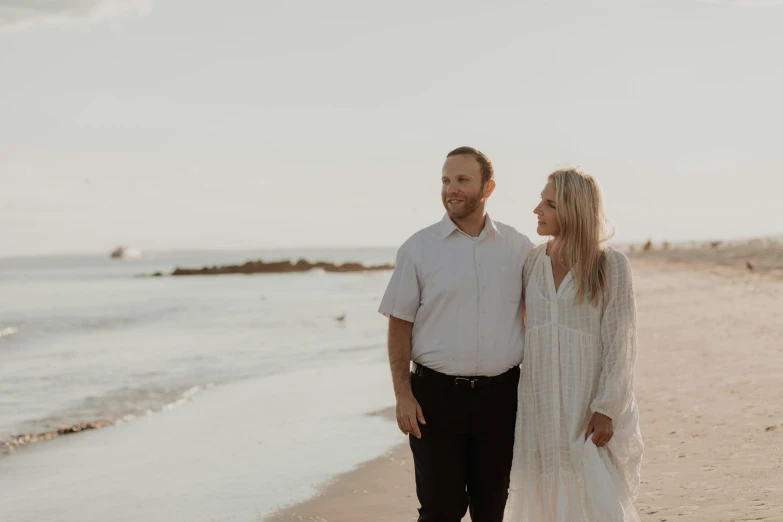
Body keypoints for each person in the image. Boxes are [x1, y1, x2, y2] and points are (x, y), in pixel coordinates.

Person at [378, 146, 534, 522]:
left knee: (491, 508)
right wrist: (403, 394)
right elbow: (399, 324)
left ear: (488, 187)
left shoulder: (519, 248)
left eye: (462, 180)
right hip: (434, 401)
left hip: (501, 399)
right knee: (440, 511)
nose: (452, 189)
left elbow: (541, 315)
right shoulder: (418, 248)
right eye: (446, 180)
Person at [505, 169, 644, 521]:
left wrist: (607, 406)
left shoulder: (609, 264)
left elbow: (620, 342)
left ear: (575, 211)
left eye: (549, 204)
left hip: (586, 401)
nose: (537, 209)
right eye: (541, 199)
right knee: (544, 487)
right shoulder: (532, 261)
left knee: (592, 489)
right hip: (540, 400)